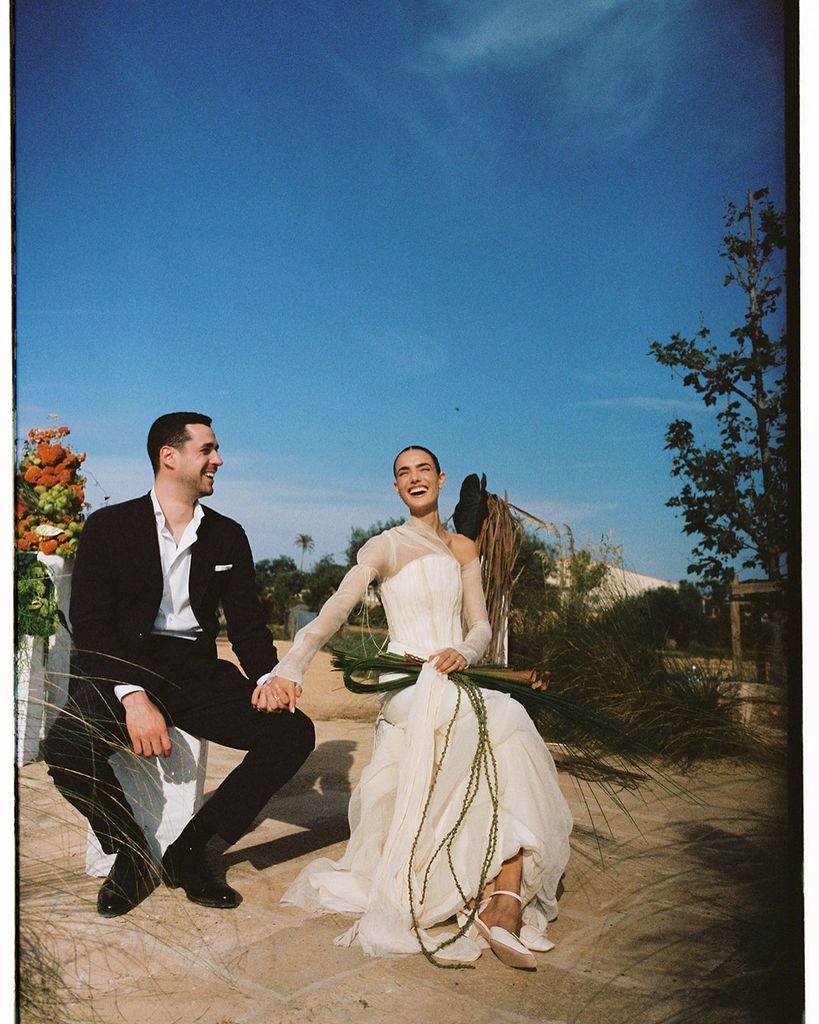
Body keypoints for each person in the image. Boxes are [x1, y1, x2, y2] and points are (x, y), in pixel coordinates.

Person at [270, 446, 573, 969]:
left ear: (440, 478)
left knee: (507, 722)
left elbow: (479, 624)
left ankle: (502, 901)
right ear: (396, 488)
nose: (414, 478)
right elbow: (336, 608)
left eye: (423, 470)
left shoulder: (462, 548)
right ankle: (491, 896)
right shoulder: (385, 546)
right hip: (408, 679)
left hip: (457, 670)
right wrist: (292, 663)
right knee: (496, 719)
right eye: (403, 473)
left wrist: (466, 651)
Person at [43, 412, 315, 918]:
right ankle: (130, 854)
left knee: (293, 733)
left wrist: (269, 677)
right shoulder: (108, 527)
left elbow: (248, 625)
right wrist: (132, 693)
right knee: (63, 744)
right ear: (170, 456)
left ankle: (189, 852)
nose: (219, 459)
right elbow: (91, 624)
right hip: (124, 664)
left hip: (196, 671)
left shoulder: (228, 535)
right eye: (208, 449)